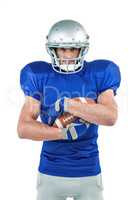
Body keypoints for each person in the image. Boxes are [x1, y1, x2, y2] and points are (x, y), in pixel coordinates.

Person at [17, 19, 121, 200]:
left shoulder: (99, 72)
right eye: (62, 49)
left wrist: (69, 104)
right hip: (50, 170)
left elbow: (111, 116)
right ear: (53, 49)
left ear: (82, 49)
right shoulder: (38, 74)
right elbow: (23, 128)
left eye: (73, 48)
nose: (68, 54)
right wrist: (62, 133)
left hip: (89, 170)